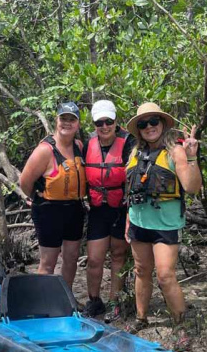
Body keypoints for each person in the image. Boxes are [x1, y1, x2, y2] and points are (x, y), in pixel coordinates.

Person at [123, 102, 202, 328]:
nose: (149, 127)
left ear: (162, 123)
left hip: (165, 225)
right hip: (138, 222)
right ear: (138, 130)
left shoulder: (175, 152)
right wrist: (128, 220)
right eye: (143, 124)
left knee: (165, 276)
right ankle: (141, 318)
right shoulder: (135, 153)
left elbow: (192, 187)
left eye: (153, 121)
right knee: (141, 270)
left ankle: (181, 325)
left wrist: (191, 157)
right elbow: (132, 190)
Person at [19, 102, 87, 290]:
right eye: (63, 118)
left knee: (71, 258)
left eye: (72, 119)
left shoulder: (78, 146)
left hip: (74, 209)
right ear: (56, 120)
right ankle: (45, 300)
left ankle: (66, 297)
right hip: (49, 210)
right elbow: (24, 182)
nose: (67, 123)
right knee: (48, 262)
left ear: (78, 124)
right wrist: (36, 196)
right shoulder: (45, 150)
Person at [82, 100, 135, 321]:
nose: (104, 126)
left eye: (109, 121)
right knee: (94, 259)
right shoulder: (87, 143)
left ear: (115, 121)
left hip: (120, 208)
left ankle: (115, 302)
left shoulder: (129, 142)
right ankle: (94, 301)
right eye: (99, 123)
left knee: (118, 255)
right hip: (97, 209)